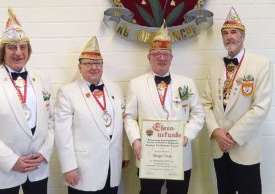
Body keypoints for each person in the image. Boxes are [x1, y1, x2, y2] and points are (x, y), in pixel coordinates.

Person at [0, 8, 54, 194]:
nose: (18, 52)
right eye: (12, 47)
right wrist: (13, 161)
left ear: (29, 50)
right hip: (2, 171)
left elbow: (51, 122)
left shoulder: (43, 79)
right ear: (2, 52)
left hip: (38, 168)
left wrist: (44, 153)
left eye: (23, 47)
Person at [124, 22, 205, 194]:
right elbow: (129, 117)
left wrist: (187, 136)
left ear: (171, 58)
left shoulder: (187, 83)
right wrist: (135, 140)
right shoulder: (135, 84)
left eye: (166, 54)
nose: (162, 58)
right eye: (157, 54)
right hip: (149, 155)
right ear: (149, 57)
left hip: (180, 154)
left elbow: (198, 114)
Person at [202, 7, 272, 194]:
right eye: (225, 33)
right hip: (219, 148)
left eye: (233, 32)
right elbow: (205, 104)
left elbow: (260, 107)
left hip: (245, 147)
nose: (229, 37)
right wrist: (216, 132)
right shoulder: (214, 66)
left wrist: (232, 137)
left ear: (243, 36)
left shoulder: (261, 64)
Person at [54, 36, 125, 194]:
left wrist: (124, 154)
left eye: (98, 63)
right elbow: (62, 134)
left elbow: (121, 125)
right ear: (79, 67)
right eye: (88, 63)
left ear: (102, 66)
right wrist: (68, 166)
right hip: (83, 170)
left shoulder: (116, 89)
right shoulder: (67, 92)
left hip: (112, 168)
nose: (94, 67)